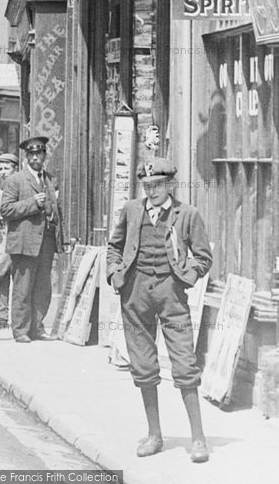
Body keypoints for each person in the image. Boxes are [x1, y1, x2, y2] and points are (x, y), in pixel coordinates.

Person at [107, 158, 212, 463]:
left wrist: (187, 277)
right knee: (143, 364)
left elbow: (203, 256)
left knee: (184, 363)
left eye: (157, 185)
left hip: (171, 294)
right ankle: (154, 435)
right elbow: (114, 245)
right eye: (147, 186)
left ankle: (198, 439)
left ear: (170, 185)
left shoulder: (187, 214)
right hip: (135, 290)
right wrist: (115, 273)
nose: (152, 191)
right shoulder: (131, 210)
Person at [0, 137, 62, 343]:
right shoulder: (15, 180)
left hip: (45, 242)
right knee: (22, 288)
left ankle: (37, 327)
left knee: (43, 288)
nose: (36, 157)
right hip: (24, 242)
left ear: (45, 155)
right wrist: (31, 203)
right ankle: (20, 330)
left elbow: (54, 209)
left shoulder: (49, 179)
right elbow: (6, 210)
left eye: (40, 153)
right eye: (32, 154)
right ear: (26, 157)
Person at [0, 152, 19, 329]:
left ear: (15, 169)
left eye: (7, 168)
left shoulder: (18, 187)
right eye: (0, 169)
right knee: (2, 277)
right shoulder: (0, 189)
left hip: (13, 236)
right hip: (1, 236)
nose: (2, 172)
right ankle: (0, 315)